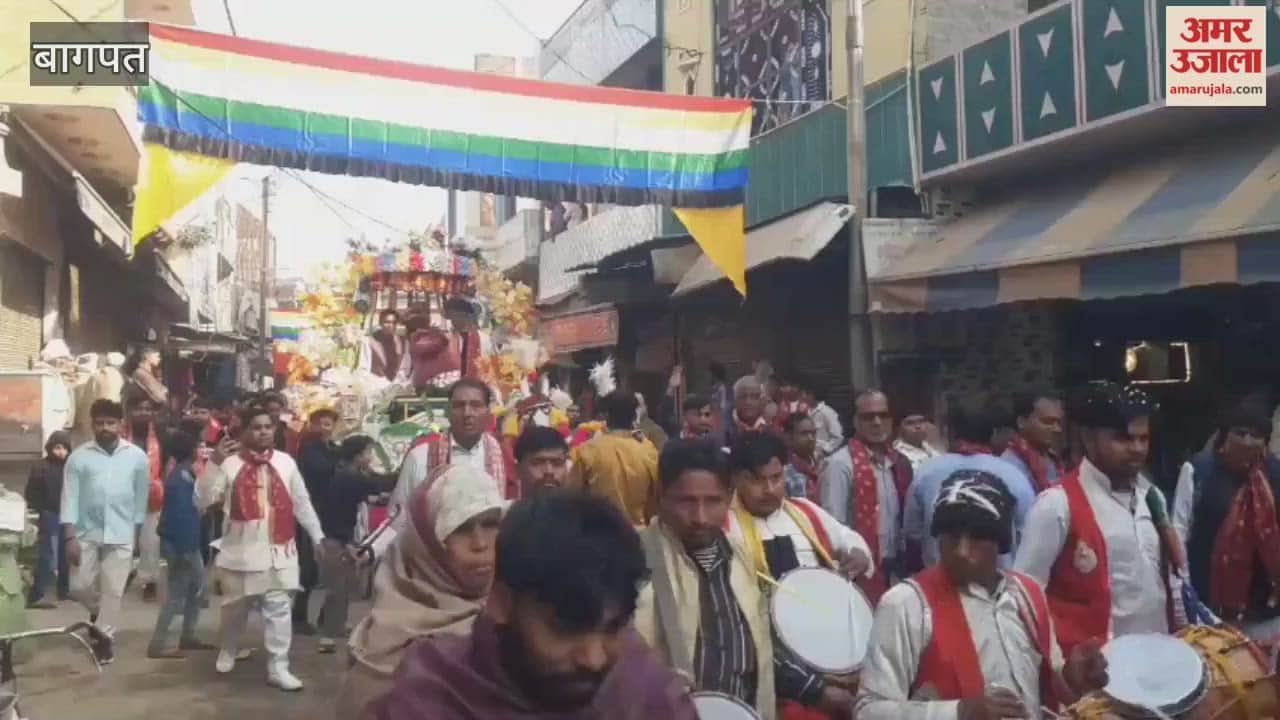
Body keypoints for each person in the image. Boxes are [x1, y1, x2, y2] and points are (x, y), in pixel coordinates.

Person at [367, 491, 697, 720]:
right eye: (566, 629)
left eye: (613, 628)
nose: (594, 659)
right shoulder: (433, 697)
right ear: (501, 602)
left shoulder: (644, 688)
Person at [856, 470, 1110, 720]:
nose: (961, 551)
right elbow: (868, 710)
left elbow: (1043, 688)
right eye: (951, 536)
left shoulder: (1027, 595)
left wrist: (1072, 680)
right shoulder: (905, 604)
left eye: (977, 538)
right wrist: (959, 712)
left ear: (1000, 544)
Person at [1015, 382, 1177, 656]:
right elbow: (1024, 599)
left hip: (1157, 663)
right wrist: (1058, 669)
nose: (1137, 448)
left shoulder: (1153, 498)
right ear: (1089, 439)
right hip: (1093, 675)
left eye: (1143, 439)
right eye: (1123, 439)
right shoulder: (1057, 505)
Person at [339, 464, 508, 718]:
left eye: (491, 524)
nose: (481, 544)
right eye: (460, 528)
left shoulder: (517, 619)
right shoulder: (387, 643)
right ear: (426, 546)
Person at [725, 432, 873, 719]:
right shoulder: (725, 529)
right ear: (736, 479)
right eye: (757, 480)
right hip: (772, 668)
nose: (770, 489)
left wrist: (858, 554)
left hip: (832, 655)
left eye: (776, 478)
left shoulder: (805, 512)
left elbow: (848, 538)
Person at [633, 439, 775, 717]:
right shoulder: (633, 560)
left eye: (713, 502)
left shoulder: (741, 556)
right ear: (661, 495)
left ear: (730, 497)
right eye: (687, 502)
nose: (700, 517)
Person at [197, 406, 326, 691]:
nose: (264, 432)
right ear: (243, 432)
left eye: (268, 427)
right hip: (239, 551)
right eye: (256, 427)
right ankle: (228, 648)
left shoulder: (286, 463)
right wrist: (213, 464)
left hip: (279, 550)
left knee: (279, 609)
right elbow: (203, 500)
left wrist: (317, 537)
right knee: (234, 610)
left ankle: (278, 666)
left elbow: (302, 502)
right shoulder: (228, 464)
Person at [1172, 399, 1280, 641]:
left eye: (1256, 435)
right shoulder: (1198, 471)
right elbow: (1179, 533)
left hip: (1268, 614)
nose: (1248, 442)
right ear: (1224, 435)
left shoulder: (1275, 475)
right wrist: (1185, 598)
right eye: (1240, 433)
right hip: (1211, 613)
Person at [61, 399, 151, 664]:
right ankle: (99, 614)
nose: (105, 428)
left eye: (110, 423)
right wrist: (69, 536)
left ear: (121, 425)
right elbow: (69, 497)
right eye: (100, 423)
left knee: (114, 590)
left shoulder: (137, 457)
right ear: (92, 425)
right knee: (78, 587)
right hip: (85, 532)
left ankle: (104, 638)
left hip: (122, 532)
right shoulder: (78, 458)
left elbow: (140, 498)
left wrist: (136, 535)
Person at [903, 402, 1033, 571]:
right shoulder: (1014, 476)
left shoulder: (927, 472)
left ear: (949, 432)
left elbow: (913, 533)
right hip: (996, 586)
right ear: (992, 434)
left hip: (940, 586)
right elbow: (1028, 535)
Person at [820, 390, 913, 602]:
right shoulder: (840, 465)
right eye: (868, 417)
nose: (877, 422)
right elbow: (831, 526)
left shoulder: (898, 463)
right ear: (855, 421)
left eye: (883, 415)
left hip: (896, 572)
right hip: (858, 574)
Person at [317, 435, 392, 654]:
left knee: (344, 584)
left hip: (340, 536)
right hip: (336, 538)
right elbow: (379, 483)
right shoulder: (349, 477)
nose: (370, 458)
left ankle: (332, 625)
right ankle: (328, 637)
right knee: (338, 587)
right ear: (357, 455)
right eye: (368, 453)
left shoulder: (350, 473)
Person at [394, 379, 510, 515]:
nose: (467, 413)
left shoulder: (502, 456)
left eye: (476, 405)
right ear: (448, 411)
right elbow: (398, 517)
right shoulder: (420, 458)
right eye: (459, 405)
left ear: (488, 412)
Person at [147, 430, 215, 658]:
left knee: (196, 589)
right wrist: (186, 550)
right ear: (192, 450)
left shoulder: (181, 474)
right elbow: (181, 516)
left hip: (185, 542)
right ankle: (158, 644)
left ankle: (188, 635)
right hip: (182, 544)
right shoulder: (181, 478)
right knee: (177, 593)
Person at [568, 391, 660, 526]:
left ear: (606, 416)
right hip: (639, 536)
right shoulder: (648, 450)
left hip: (598, 534)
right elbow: (656, 500)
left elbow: (572, 498)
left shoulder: (588, 450)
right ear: (635, 415)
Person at [294, 407, 341, 635]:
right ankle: (298, 616)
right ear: (312, 425)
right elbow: (319, 469)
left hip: (323, 512)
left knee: (315, 567)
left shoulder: (328, 447)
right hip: (308, 511)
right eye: (322, 424)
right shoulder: (309, 447)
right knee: (307, 567)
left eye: (329, 424)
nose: (326, 428)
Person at [120, 390, 165, 602]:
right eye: (138, 409)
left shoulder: (161, 434)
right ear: (129, 411)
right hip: (123, 495)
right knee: (123, 539)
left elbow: (169, 463)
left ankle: (149, 580)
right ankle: (122, 575)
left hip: (153, 495)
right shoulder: (118, 436)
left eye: (147, 409)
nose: (143, 413)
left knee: (150, 541)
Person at [25, 431, 71, 609]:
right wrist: (40, 510)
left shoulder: (70, 467)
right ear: (50, 448)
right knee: (47, 556)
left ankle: (64, 590)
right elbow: (31, 492)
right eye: (57, 447)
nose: (60, 452)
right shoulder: (41, 467)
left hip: (67, 515)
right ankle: (37, 595)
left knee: (65, 554)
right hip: (49, 514)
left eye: (64, 448)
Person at [1002, 389, 1067, 494]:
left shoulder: (1053, 460)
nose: (1057, 429)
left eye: (1058, 422)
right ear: (1022, 422)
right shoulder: (1009, 467)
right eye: (1048, 422)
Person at [513, 426, 570, 497]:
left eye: (557, 463)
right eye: (537, 463)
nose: (549, 471)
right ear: (517, 469)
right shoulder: (505, 508)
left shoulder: (580, 508)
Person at [782, 414, 822, 501]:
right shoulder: (783, 470)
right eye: (804, 433)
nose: (811, 438)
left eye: (813, 433)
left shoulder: (822, 465)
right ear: (789, 437)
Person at [362, 309, 409, 382]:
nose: (391, 325)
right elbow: (365, 366)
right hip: (375, 382)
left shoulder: (403, 342)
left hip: (396, 383)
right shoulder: (370, 341)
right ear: (380, 323)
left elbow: (405, 367)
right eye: (387, 322)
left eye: (394, 322)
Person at [727, 375, 770, 446]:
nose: (748, 402)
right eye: (743, 397)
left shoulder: (773, 430)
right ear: (735, 400)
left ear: (763, 401)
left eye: (755, 397)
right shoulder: (722, 433)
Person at [805, 386, 844, 459]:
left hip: (824, 458)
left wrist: (825, 451)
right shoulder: (805, 412)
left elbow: (838, 437)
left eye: (808, 394)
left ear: (814, 395)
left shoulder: (827, 412)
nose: (805, 397)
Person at [709, 361, 732, 446]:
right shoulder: (714, 388)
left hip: (720, 418)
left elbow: (723, 405)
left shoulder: (722, 388)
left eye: (710, 373)